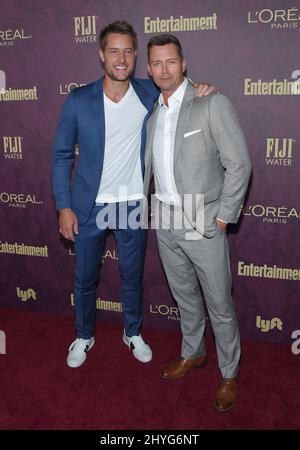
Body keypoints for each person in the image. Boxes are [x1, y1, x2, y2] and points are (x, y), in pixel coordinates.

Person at [52, 21, 214, 369]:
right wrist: (63, 206)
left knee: (132, 275)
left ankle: (133, 332)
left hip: (131, 203)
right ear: (101, 55)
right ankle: (83, 335)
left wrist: (201, 88)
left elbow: (179, 91)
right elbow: (62, 155)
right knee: (84, 279)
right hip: (88, 207)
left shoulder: (148, 93)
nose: (121, 58)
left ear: (136, 55)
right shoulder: (80, 99)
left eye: (128, 51)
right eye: (114, 51)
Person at [145, 34, 251, 412]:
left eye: (171, 61)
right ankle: (193, 353)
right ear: (149, 68)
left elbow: (239, 163)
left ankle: (228, 373)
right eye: (156, 63)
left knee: (219, 302)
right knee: (185, 296)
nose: (164, 69)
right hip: (165, 215)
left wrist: (223, 216)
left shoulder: (211, 102)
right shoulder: (153, 112)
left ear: (184, 63)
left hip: (201, 214)